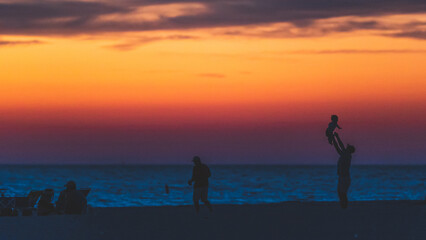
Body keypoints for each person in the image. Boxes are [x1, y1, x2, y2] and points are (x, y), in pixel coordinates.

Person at [332, 132, 355, 209]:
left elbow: (341, 146)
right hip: (342, 177)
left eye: (347, 147)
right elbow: (337, 148)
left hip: (345, 178)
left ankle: (344, 206)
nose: (346, 148)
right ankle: (343, 206)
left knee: (342, 193)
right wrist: (333, 139)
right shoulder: (344, 154)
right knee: (340, 192)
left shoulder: (347, 155)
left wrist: (337, 137)